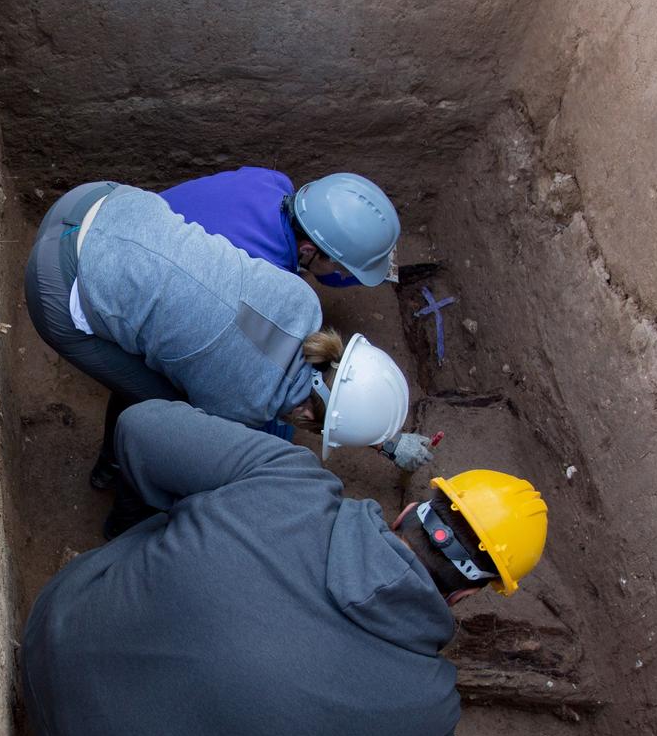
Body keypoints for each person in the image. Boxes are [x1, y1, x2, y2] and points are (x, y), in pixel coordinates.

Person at [20, 399, 550, 736]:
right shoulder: (425, 706)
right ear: (466, 597)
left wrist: (179, 523)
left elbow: (140, 427)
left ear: (410, 512)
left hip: (54, 646)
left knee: (190, 513)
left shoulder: (286, 478)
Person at [23, 180, 433, 532]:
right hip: (56, 284)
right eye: (319, 433)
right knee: (160, 417)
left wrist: (383, 438)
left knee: (163, 362)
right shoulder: (241, 404)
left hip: (96, 201)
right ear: (308, 417)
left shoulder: (302, 300)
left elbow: (308, 379)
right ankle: (124, 510)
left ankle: (110, 464)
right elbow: (203, 419)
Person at [159, 166, 400, 288]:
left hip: (144, 211)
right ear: (307, 250)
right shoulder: (263, 275)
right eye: (342, 267)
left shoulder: (273, 180)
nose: (344, 273)